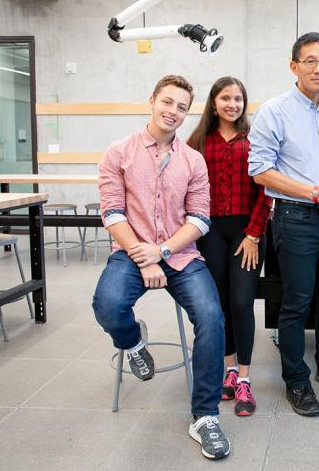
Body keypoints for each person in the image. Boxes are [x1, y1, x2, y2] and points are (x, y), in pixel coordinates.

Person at [93, 75, 230, 460]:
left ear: (187, 114)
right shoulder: (119, 153)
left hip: (180, 255)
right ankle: (133, 341)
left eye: (182, 107)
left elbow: (201, 219)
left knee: (211, 317)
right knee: (107, 303)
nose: (173, 112)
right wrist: (142, 253)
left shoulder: (193, 160)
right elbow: (113, 211)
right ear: (151, 100)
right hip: (131, 252)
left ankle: (205, 416)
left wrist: (163, 252)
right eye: (167, 102)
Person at [248, 32, 319, 417]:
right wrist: (315, 192)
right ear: (293, 65)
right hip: (295, 218)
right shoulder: (274, 111)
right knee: (297, 302)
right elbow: (260, 171)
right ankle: (296, 381)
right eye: (310, 60)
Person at [187, 76, 272, 417]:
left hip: (247, 233)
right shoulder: (196, 142)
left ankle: (246, 380)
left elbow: (266, 191)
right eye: (225, 98)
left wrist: (253, 235)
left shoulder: (255, 140)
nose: (232, 104)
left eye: (238, 98)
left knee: (241, 301)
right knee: (220, 304)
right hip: (210, 233)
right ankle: (230, 370)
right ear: (213, 102)